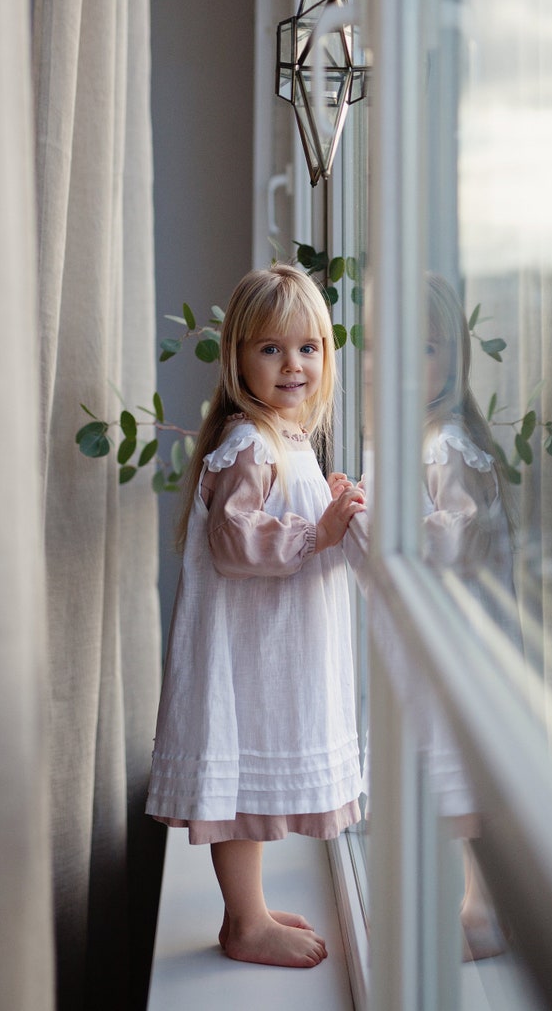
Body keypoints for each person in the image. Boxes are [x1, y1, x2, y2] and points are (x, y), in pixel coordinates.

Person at [145, 263, 366, 969]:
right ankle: (243, 922)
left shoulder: (286, 439)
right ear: (238, 357)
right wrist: (318, 533)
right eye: (270, 348)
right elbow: (236, 537)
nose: (292, 363)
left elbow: (276, 511)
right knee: (241, 781)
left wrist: (324, 503)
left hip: (264, 646)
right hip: (245, 654)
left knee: (255, 779)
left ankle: (252, 908)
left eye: (308, 347)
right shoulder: (248, 443)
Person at [423, 271, 519, 961]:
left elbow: (452, 534)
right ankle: (472, 902)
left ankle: (483, 911)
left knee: (464, 778)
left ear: (452, 357)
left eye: (424, 346)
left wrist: (393, 523)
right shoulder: (437, 433)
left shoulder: (445, 442)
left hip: (467, 631)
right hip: (467, 625)